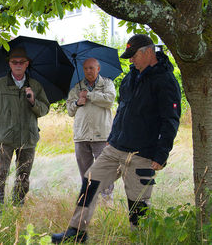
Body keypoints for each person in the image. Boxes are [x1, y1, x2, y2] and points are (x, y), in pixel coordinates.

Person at [51, 34, 182, 243]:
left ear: (148, 52)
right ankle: (77, 233)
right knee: (90, 182)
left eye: (133, 56)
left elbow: (171, 120)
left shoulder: (165, 80)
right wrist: (112, 138)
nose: (131, 60)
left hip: (142, 152)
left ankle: (140, 239)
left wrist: (161, 153)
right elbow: (121, 109)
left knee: (137, 202)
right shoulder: (131, 76)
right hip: (115, 148)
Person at [0, 47, 50, 209]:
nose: (18, 65)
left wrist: (33, 100)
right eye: (14, 62)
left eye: (22, 62)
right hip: (5, 138)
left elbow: (44, 110)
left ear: (27, 64)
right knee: (0, 173)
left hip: (28, 138)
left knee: (23, 175)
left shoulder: (35, 85)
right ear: (9, 64)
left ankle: (17, 205)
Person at [66, 58, 116, 201]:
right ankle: (89, 200)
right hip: (81, 136)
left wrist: (89, 95)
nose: (89, 71)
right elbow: (69, 110)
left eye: (92, 68)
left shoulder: (107, 84)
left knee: (104, 170)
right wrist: (77, 102)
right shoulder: (77, 87)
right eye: (86, 68)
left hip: (102, 136)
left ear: (98, 69)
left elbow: (109, 100)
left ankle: (107, 202)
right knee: (85, 173)